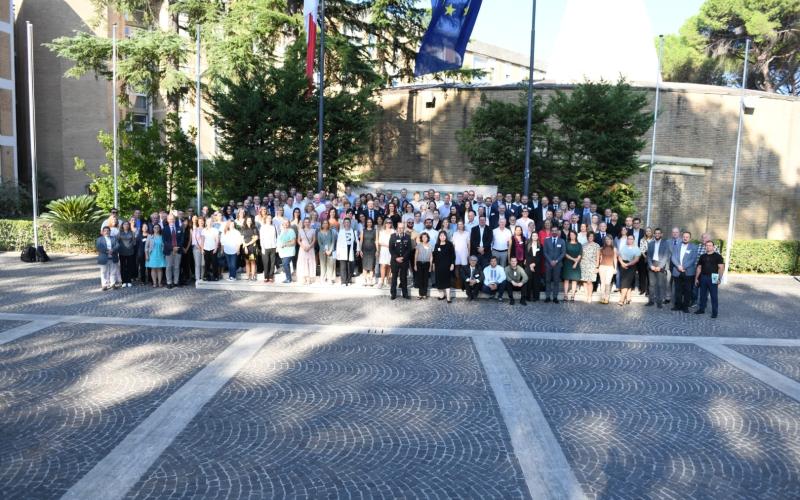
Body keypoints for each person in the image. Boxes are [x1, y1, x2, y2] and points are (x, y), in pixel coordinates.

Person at [695, 240, 724, 318]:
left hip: (714, 277)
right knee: (702, 295)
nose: (708, 247)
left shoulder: (718, 256)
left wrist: (719, 278)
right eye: (706, 245)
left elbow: (721, 267)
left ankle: (715, 312)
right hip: (703, 277)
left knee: (714, 296)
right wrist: (696, 278)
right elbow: (699, 267)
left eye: (710, 245)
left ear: (713, 247)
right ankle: (701, 309)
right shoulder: (702, 256)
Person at [671, 231, 698, 313]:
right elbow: (673, 257)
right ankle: (678, 305)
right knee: (677, 289)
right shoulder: (677, 246)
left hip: (688, 272)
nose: (685, 238)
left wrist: (683, 267)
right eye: (684, 236)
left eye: (687, 237)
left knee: (688, 290)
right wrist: (678, 266)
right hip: (677, 270)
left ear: (690, 238)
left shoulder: (694, 247)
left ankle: (685, 307)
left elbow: (693, 259)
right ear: (682, 237)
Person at [646, 228, 671, 308]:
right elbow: (648, 256)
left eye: (658, 233)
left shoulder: (665, 243)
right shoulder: (651, 243)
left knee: (660, 284)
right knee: (651, 284)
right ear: (654, 234)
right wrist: (651, 265)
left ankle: (659, 302)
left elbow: (666, 256)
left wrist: (659, 267)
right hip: (652, 264)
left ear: (661, 234)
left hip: (661, 265)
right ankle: (651, 301)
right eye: (656, 233)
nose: (657, 234)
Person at [388, 223, 413, 299]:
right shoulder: (393, 236)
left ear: (404, 228)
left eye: (402, 228)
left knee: (403, 278)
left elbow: (409, 249)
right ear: (397, 228)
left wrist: (403, 258)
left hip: (404, 261)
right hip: (395, 261)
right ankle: (393, 294)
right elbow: (391, 249)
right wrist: (396, 258)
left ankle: (405, 294)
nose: (400, 229)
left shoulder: (407, 237)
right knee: (394, 278)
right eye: (399, 228)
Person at [617, 234, 642, 306]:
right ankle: (628, 298)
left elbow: (636, 260)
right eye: (628, 239)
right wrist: (622, 263)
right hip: (623, 265)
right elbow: (619, 256)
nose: (629, 240)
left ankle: (621, 299)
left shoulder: (636, 248)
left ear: (634, 240)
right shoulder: (624, 247)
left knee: (625, 282)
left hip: (631, 266)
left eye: (631, 239)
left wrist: (627, 264)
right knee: (626, 282)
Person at [543, 226, 565, 303]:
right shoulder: (546, 241)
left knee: (556, 281)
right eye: (553, 230)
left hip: (558, 264)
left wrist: (556, 261)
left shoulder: (562, 241)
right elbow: (545, 252)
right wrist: (550, 261)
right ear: (551, 232)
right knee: (547, 280)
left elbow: (563, 253)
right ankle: (547, 297)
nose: (554, 232)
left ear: (558, 232)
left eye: (556, 231)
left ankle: (555, 297)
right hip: (548, 264)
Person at [432, 230, 456, 303]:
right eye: (441, 236)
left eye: (444, 235)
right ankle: (442, 295)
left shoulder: (449, 244)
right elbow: (434, 256)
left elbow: (453, 255)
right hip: (438, 266)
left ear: (446, 236)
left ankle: (448, 297)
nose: (442, 237)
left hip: (447, 266)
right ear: (439, 237)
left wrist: (452, 264)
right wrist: (433, 265)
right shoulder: (437, 245)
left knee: (446, 281)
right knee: (439, 281)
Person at [162, 214, 184, 289]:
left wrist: (177, 247)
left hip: (178, 250)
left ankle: (176, 282)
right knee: (168, 267)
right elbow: (164, 241)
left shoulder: (179, 228)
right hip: (169, 251)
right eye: (170, 219)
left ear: (175, 220)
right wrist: (172, 248)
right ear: (168, 220)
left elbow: (182, 239)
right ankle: (169, 282)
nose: (172, 220)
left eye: (173, 219)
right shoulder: (165, 229)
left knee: (177, 267)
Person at [336, 217, 359, 285]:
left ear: (350, 223)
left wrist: (358, 249)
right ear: (343, 223)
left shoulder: (353, 231)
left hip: (350, 249)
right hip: (343, 250)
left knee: (350, 266)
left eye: (348, 222)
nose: (347, 223)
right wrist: (338, 252)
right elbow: (338, 242)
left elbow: (357, 241)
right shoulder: (341, 231)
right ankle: (343, 281)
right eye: (345, 222)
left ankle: (349, 281)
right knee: (343, 266)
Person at [96, 226, 119, 290]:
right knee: (103, 272)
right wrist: (107, 251)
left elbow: (117, 245)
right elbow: (98, 247)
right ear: (102, 232)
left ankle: (113, 284)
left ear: (110, 231)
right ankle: (104, 285)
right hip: (103, 258)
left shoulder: (113, 238)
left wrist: (112, 250)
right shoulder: (99, 239)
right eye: (105, 231)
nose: (106, 232)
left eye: (108, 231)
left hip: (113, 257)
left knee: (113, 271)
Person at [562, 230, 582, 301]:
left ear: (576, 235)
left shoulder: (579, 244)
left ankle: (573, 295)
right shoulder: (566, 244)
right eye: (570, 235)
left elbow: (580, 254)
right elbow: (565, 253)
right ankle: (565, 295)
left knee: (574, 280)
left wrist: (576, 263)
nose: (572, 236)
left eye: (573, 235)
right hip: (567, 263)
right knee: (566, 280)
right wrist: (574, 259)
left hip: (576, 264)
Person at [580, 231, 600, 303]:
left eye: (592, 236)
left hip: (592, 265)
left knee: (589, 281)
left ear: (593, 237)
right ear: (587, 237)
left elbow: (598, 257)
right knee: (584, 281)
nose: (590, 237)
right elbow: (581, 255)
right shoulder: (583, 245)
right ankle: (586, 295)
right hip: (583, 264)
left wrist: (597, 267)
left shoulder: (597, 245)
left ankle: (589, 296)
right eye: (589, 236)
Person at [597, 236, 617, 304]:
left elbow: (615, 259)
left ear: (611, 240)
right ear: (604, 241)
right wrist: (598, 267)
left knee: (608, 283)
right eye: (606, 239)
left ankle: (607, 297)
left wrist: (615, 268)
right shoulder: (601, 249)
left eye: (609, 239)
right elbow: (600, 258)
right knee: (602, 283)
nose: (607, 240)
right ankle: (602, 297)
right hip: (602, 267)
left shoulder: (614, 249)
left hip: (610, 267)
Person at [296, 217, 317, 285]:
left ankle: (309, 278)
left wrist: (309, 247)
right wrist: (303, 247)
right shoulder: (300, 230)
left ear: (310, 223)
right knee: (303, 263)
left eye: (308, 222)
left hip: (310, 248)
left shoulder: (313, 230)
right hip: (303, 248)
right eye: (305, 222)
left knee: (310, 263)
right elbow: (298, 240)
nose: (307, 223)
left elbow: (314, 240)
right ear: (303, 223)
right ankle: (304, 278)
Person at [145, 223, 166, 288]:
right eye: (155, 227)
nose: (156, 229)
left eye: (158, 227)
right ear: (153, 229)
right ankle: (154, 283)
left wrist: (164, 253)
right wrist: (147, 255)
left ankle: (159, 283)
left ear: (160, 229)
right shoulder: (150, 236)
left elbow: (164, 246)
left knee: (160, 269)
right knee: (153, 269)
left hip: (160, 254)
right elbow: (146, 247)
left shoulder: (162, 237)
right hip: (152, 255)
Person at [317, 219, 337, 285]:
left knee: (331, 265)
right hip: (322, 251)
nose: (325, 224)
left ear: (328, 224)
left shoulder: (331, 232)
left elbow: (333, 241)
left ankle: (330, 279)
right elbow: (320, 243)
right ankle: (323, 278)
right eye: (324, 223)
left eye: (326, 223)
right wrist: (325, 250)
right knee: (323, 265)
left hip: (331, 251)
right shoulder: (319, 233)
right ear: (322, 224)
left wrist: (330, 250)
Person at [259, 214, 278, 283]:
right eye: (268, 218)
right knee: (266, 263)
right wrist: (262, 248)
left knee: (272, 263)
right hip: (265, 247)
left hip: (273, 247)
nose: (269, 219)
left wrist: (276, 246)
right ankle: (266, 276)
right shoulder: (263, 227)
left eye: (270, 218)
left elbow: (275, 237)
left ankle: (271, 276)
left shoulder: (273, 227)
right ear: (265, 219)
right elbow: (261, 238)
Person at [451, 221, 470, 290]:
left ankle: (464, 285)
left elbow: (468, 244)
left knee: (465, 269)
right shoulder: (455, 234)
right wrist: (453, 254)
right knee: (457, 268)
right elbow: (453, 245)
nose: (460, 225)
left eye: (461, 224)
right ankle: (458, 284)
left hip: (464, 253)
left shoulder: (467, 233)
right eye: (458, 224)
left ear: (463, 225)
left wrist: (469, 254)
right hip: (457, 253)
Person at [414, 232, 433, 299]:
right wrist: (415, 265)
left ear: (427, 238)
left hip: (427, 264)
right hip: (419, 263)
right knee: (420, 279)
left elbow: (431, 256)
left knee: (425, 279)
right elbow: (416, 255)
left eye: (425, 237)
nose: (424, 238)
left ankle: (424, 294)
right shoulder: (419, 245)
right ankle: (420, 294)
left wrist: (430, 266)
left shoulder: (430, 246)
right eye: (423, 237)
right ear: (421, 238)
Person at [524, 230, 541, 302]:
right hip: (529, 264)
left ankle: (536, 297)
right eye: (533, 236)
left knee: (536, 281)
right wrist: (531, 265)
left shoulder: (540, 245)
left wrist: (534, 264)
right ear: (531, 237)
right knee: (529, 281)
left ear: (537, 237)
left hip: (537, 265)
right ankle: (528, 297)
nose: (534, 237)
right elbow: (527, 255)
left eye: (536, 236)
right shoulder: (527, 245)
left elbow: (540, 256)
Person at [117, 221, 136, 287]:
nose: (126, 225)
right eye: (125, 224)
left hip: (130, 252)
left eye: (127, 224)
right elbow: (117, 241)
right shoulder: (119, 233)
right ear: (122, 225)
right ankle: (124, 281)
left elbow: (134, 242)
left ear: (129, 225)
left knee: (129, 266)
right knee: (123, 266)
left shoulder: (132, 233)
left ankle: (129, 280)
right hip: (122, 252)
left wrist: (130, 246)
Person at [377, 220, 394, 288]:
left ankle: (388, 280)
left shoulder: (393, 231)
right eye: (387, 222)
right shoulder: (382, 231)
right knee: (383, 265)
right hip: (384, 250)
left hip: (391, 250)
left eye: (390, 222)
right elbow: (379, 242)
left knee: (389, 265)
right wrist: (387, 245)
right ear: (385, 223)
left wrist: (391, 246)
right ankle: (382, 281)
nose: (388, 224)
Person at [241, 216, 259, 281]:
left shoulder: (254, 228)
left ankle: (253, 276)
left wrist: (247, 244)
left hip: (252, 247)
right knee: (247, 262)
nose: (249, 221)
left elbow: (256, 238)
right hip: (245, 248)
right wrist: (245, 246)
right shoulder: (243, 228)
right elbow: (242, 238)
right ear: (246, 221)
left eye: (250, 220)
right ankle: (248, 276)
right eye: (248, 220)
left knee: (252, 262)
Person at [190, 217, 206, 283]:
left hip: (205, 249)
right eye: (199, 221)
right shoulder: (195, 230)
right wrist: (200, 247)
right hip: (197, 248)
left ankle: (202, 277)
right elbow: (194, 240)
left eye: (202, 221)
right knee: (197, 264)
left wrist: (204, 248)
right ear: (197, 222)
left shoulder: (206, 229)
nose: (201, 222)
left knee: (203, 264)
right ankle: (197, 278)